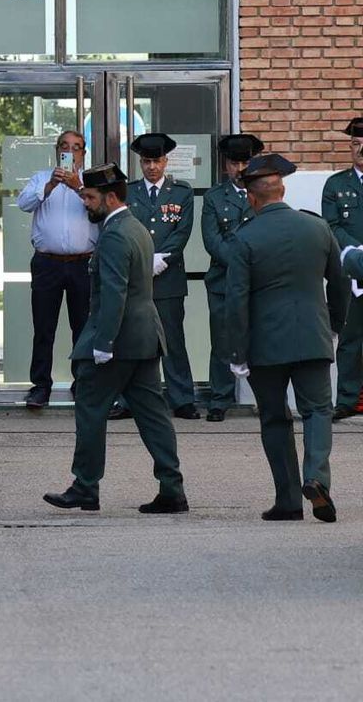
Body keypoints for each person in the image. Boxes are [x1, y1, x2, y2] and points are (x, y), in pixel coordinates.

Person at [44, 164, 188, 515]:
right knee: (153, 416)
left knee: (90, 409)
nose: (86, 204)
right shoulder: (135, 227)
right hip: (144, 338)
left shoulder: (113, 235)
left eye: (90, 198)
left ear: (110, 197)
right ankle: (172, 487)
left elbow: (114, 294)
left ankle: (85, 486)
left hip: (119, 341)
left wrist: (103, 344)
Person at [225, 153, 349, 522]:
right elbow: (339, 282)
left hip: (266, 345)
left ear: (251, 197)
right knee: (317, 411)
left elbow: (236, 301)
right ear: (283, 189)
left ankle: (289, 500)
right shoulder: (317, 228)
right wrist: (335, 325)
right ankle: (316, 478)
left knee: (275, 419)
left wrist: (237, 350)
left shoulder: (244, 238)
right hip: (313, 334)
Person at [15, 130, 99, 409]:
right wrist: (50, 185)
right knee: (44, 327)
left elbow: (100, 212)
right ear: (57, 151)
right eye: (65, 146)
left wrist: (77, 186)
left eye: (77, 148)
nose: (71, 152)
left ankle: (84, 383)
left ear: (83, 154)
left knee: (84, 327)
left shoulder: (92, 181)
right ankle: (40, 386)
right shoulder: (41, 178)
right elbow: (24, 204)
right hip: (47, 263)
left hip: (83, 263)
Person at [126, 133, 198, 419]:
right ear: (140, 163)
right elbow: (124, 229)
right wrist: (144, 262)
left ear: (166, 161)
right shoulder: (128, 192)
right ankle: (130, 400)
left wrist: (161, 260)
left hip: (168, 278)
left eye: (156, 161)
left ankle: (182, 399)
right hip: (135, 278)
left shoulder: (181, 192)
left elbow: (182, 233)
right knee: (133, 340)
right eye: (146, 161)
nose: (151, 167)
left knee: (172, 341)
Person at [200, 134, 261, 422]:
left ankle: (266, 398)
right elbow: (212, 240)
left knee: (262, 339)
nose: (240, 169)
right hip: (223, 281)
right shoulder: (214, 197)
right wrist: (239, 265)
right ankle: (220, 398)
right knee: (222, 341)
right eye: (235, 163)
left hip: (258, 280)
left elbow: (267, 236)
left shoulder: (263, 194)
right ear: (226, 165)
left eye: (245, 162)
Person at [323, 118, 363, 422]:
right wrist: (359, 253)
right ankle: (347, 398)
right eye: (355, 144)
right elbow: (332, 226)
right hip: (351, 273)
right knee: (350, 339)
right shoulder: (336, 185)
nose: (360, 150)